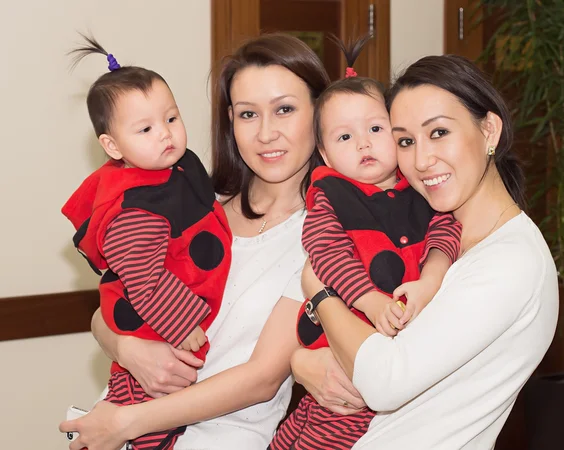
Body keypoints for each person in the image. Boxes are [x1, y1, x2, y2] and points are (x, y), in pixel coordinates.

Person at [59, 33, 334, 450]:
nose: (265, 133)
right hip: (116, 421)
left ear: (319, 113)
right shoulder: (198, 208)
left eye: (285, 110)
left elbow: (260, 379)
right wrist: (128, 350)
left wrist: (127, 423)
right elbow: (112, 303)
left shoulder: (323, 238)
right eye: (247, 115)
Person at [297, 54, 559, 449]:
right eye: (405, 140)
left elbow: (385, 382)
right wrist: (302, 363)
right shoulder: (410, 227)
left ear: (489, 130)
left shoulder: (511, 260)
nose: (421, 160)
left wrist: (319, 292)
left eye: (438, 133)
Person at [271, 38, 461, 450]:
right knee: (324, 429)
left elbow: (447, 232)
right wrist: (369, 301)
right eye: (344, 137)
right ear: (324, 153)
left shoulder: (424, 188)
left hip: (402, 359)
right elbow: (325, 253)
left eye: (376, 129)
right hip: (345, 347)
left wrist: (431, 279)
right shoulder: (331, 195)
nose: (363, 144)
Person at [62, 36, 232, 449]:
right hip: (153, 326)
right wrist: (182, 324)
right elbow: (143, 279)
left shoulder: (178, 166)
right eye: (146, 128)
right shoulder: (133, 209)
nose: (166, 135)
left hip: (160, 326)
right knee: (144, 411)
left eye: (171, 118)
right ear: (113, 146)